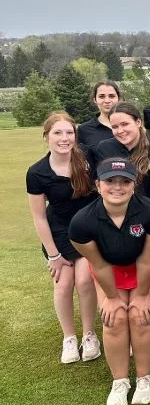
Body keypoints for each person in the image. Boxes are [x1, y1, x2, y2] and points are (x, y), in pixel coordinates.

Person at [69, 158, 150, 405]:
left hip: (148, 262)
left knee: (141, 316)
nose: (117, 187)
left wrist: (142, 295)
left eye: (125, 181)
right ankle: (120, 381)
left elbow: (148, 259)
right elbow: (99, 265)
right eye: (110, 181)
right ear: (97, 185)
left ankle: (145, 378)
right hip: (109, 266)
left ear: (134, 185)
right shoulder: (82, 223)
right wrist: (113, 298)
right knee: (113, 318)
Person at [26, 111, 100, 364]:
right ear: (46, 136)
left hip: (88, 230)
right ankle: (69, 338)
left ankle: (89, 335)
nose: (64, 138)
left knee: (85, 280)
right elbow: (39, 217)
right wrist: (54, 255)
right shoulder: (37, 172)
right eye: (57, 133)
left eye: (69, 132)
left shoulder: (86, 160)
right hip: (58, 233)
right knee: (63, 283)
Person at [92, 102, 150, 196]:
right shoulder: (104, 148)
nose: (120, 131)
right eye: (115, 127)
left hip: (144, 203)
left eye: (125, 124)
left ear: (138, 122)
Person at [78, 81, 121, 149]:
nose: (107, 101)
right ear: (95, 100)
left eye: (112, 96)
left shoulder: (130, 125)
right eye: (101, 96)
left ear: (118, 98)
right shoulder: (84, 130)